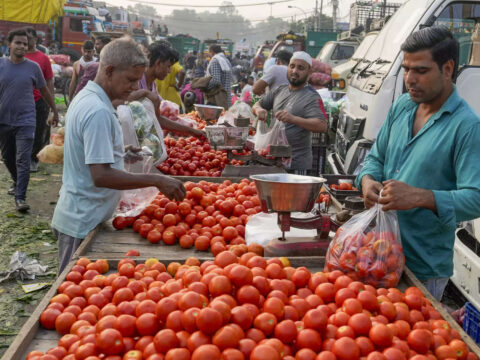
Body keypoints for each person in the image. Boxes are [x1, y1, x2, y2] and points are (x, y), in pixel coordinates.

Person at [355, 26, 480, 301]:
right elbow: (376, 158)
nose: (409, 79)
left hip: (422, 268)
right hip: (377, 251)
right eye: (406, 69)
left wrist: (419, 197)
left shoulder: (467, 127)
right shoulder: (402, 106)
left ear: (447, 69)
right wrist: (367, 180)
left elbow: (475, 198)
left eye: (420, 71)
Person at [51, 38, 186, 273]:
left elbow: (88, 154)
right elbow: (101, 175)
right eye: (131, 80)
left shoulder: (88, 98)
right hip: (81, 222)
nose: (135, 88)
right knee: (70, 290)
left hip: (84, 214)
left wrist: (119, 153)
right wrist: (157, 180)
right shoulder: (98, 111)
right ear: (110, 70)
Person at [0, 28, 58, 212]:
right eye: (18, 42)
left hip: (26, 120)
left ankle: (20, 198)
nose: (22, 46)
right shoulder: (1, 65)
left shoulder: (33, 67)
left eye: (25, 43)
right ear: (9, 44)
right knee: (7, 157)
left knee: (23, 159)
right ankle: (17, 181)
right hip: (4, 120)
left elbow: (44, 91)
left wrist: (54, 111)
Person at [252, 51, 327, 174]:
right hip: (274, 161)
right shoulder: (280, 90)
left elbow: (322, 125)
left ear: (309, 72)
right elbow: (257, 104)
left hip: (296, 165)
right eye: (292, 66)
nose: (294, 71)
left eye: (300, 68)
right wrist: (259, 110)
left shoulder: (311, 97)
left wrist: (293, 119)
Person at [125, 42, 204, 138]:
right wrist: (144, 93)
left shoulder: (152, 85)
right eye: (168, 66)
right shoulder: (136, 81)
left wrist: (191, 131)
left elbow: (158, 118)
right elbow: (123, 104)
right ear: (158, 63)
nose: (169, 71)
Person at [24, 27, 56, 173]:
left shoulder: (43, 58)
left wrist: (51, 105)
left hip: (39, 101)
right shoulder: (19, 56)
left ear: (35, 39)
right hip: (21, 101)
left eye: (30, 37)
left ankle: (33, 159)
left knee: (38, 131)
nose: (27, 40)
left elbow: (49, 82)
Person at [207, 44, 233, 109]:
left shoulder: (215, 61)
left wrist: (205, 87)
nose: (209, 55)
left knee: (215, 118)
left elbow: (216, 80)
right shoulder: (226, 60)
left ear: (212, 52)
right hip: (226, 97)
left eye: (209, 53)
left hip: (218, 99)